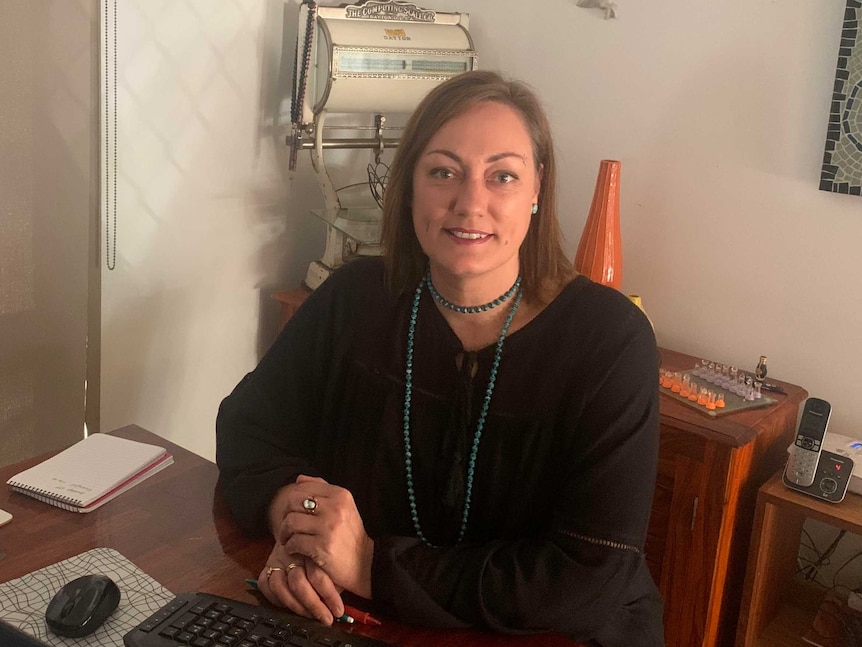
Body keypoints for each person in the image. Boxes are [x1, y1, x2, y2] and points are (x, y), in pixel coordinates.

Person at [216, 70, 664, 646]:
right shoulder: (353, 298)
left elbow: (584, 576)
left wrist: (372, 565)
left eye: (502, 175)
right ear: (410, 186)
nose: (469, 202)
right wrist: (298, 520)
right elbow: (249, 429)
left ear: (537, 190)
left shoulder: (611, 339)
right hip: (365, 622)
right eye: (443, 172)